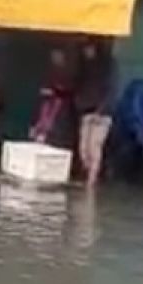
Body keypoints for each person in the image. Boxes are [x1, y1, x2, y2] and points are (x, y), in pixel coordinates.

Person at [74, 38, 116, 184]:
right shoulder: (86, 69)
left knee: (94, 147)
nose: (86, 52)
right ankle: (89, 175)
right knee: (84, 149)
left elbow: (110, 91)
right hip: (87, 111)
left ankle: (91, 180)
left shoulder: (106, 69)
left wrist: (101, 109)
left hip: (102, 114)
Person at [30, 47, 77, 152]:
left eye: (57, 57)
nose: (55, 60)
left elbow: (67, 91)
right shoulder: (48, 74)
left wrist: (55, 92)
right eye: (54, 57)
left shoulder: (67, 75)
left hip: (58, 110)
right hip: (47, 108)